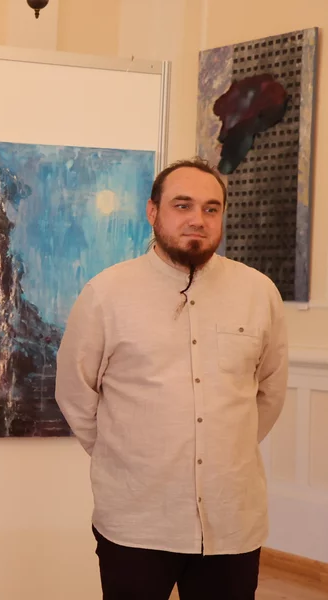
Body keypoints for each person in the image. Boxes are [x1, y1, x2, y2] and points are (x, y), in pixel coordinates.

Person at [55, 158, 288, 600]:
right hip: (136, 519)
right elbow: (74, 392)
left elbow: (270, 391)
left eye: (211, 208)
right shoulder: (106, 294)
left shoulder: (259, 293)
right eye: (182, 205)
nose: (197, 219)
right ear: (152, 211)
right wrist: (126, 454)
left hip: (231, 520)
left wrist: (226, 446)